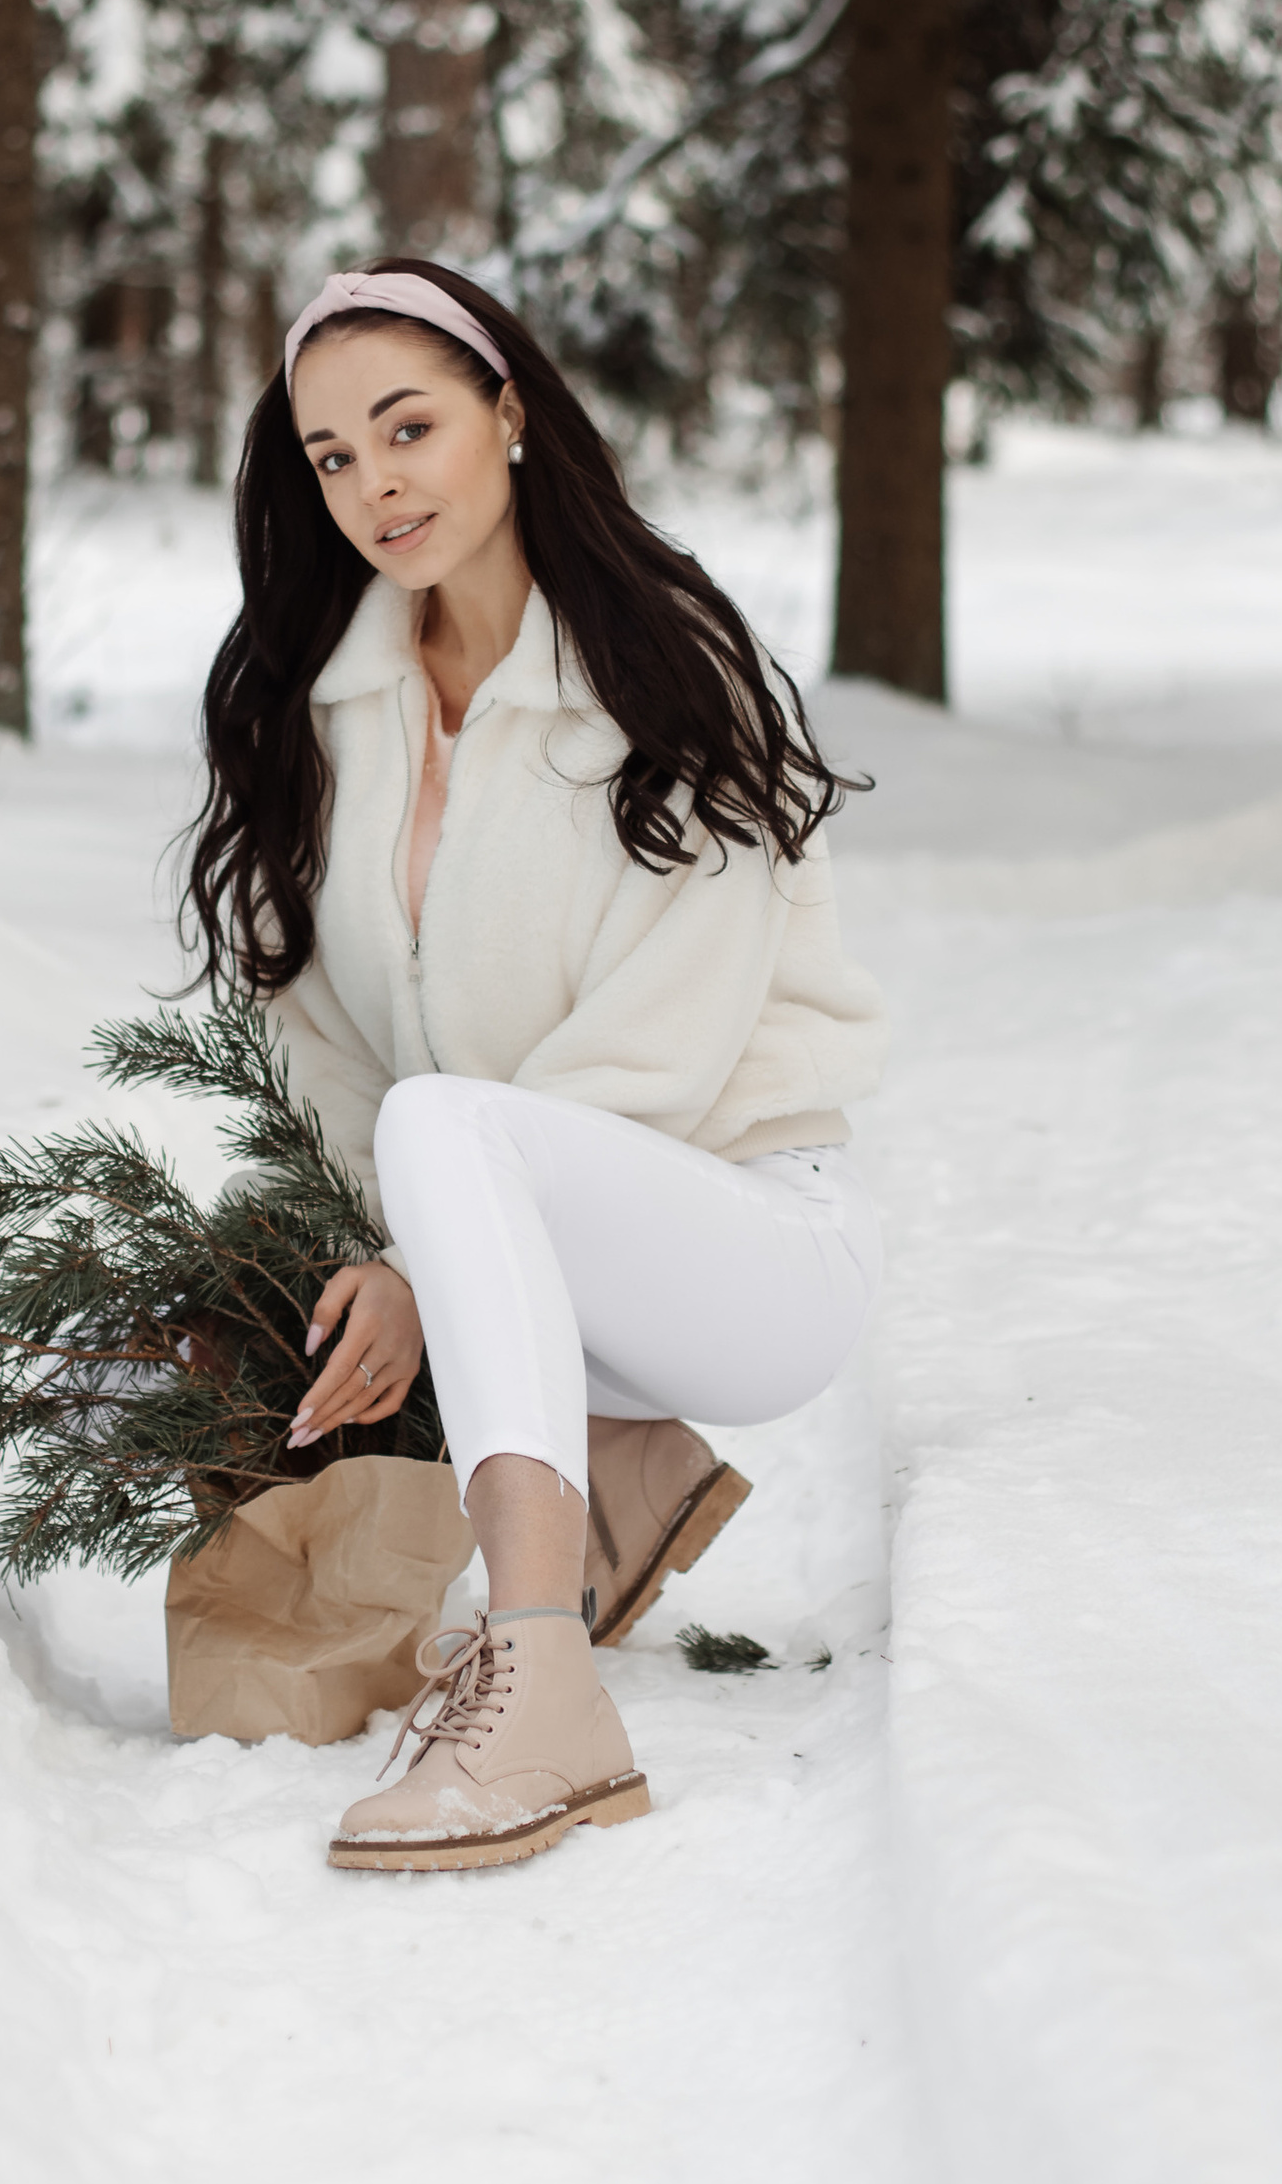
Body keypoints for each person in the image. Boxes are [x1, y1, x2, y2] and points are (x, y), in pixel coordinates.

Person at [185, 258, 886, 1872]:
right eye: (332, 456)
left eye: (407, 426)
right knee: (406, 1161)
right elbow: (326, 1045)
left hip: (760, 1244)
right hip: (549, 1272)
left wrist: (429, 1254)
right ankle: (623, 1473)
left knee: (444, 1130)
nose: (373, 483)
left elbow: (671, 1038)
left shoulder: (660, 666)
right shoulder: (330, 714)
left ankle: (548, 1685)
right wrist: (384, 1249)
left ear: (510, 415)